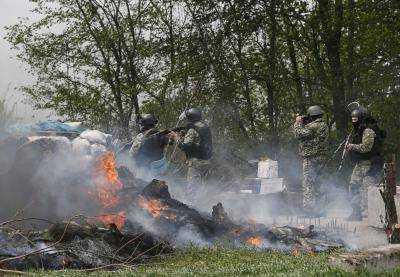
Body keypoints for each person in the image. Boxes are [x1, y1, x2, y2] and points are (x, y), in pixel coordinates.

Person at [345, 107, 385, 221]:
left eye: (356, 119)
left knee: (366, 189)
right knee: (353, 185)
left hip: (371, 164)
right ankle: (356, 212)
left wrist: (352, 146)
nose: (354, 122)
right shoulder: (359, 131)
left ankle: (368, 215)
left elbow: (366, 147)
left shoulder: (368, 131)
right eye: (352, 119)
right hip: (361, 163)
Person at [293, 105, 329, 216]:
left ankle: (309, 210)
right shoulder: (324, 125)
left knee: (308, 183)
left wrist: (298, 123)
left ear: (311, 116)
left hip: (310, 158)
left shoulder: (312, 126)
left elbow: (298, 134)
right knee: (320, 184)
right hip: (322, 158)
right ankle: (321, 210)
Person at [168, 108, 213, 194]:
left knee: (193, 189)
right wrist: (184, 135)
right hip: (207, 161)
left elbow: (185, 146)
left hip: (196, 163)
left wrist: (175, 137)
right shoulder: (204, 127)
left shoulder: (192, 130)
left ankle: (192, 205)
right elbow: (198, 140)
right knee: (204, 187)